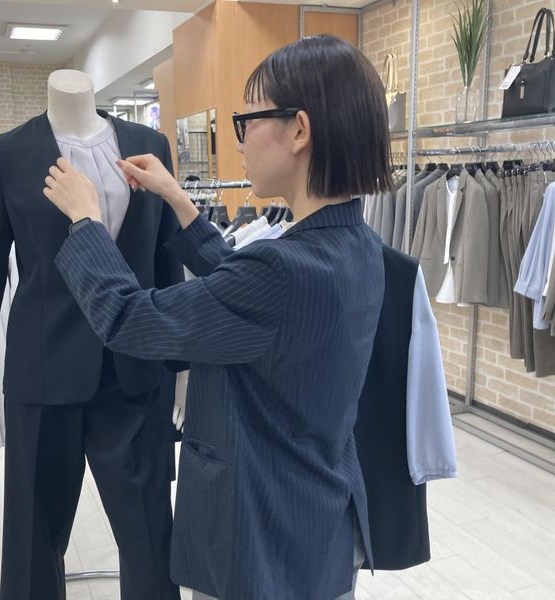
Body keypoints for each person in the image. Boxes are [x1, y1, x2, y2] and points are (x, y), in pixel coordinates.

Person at [43, 35, 392, 600]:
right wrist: (179, 201)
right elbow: (245, 297)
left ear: (299, 131)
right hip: (316, 521)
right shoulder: (358, 246)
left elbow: (129, 319)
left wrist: (86, 222)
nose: (241, 140)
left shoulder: (281, 268)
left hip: (256, 539)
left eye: (247, 121)